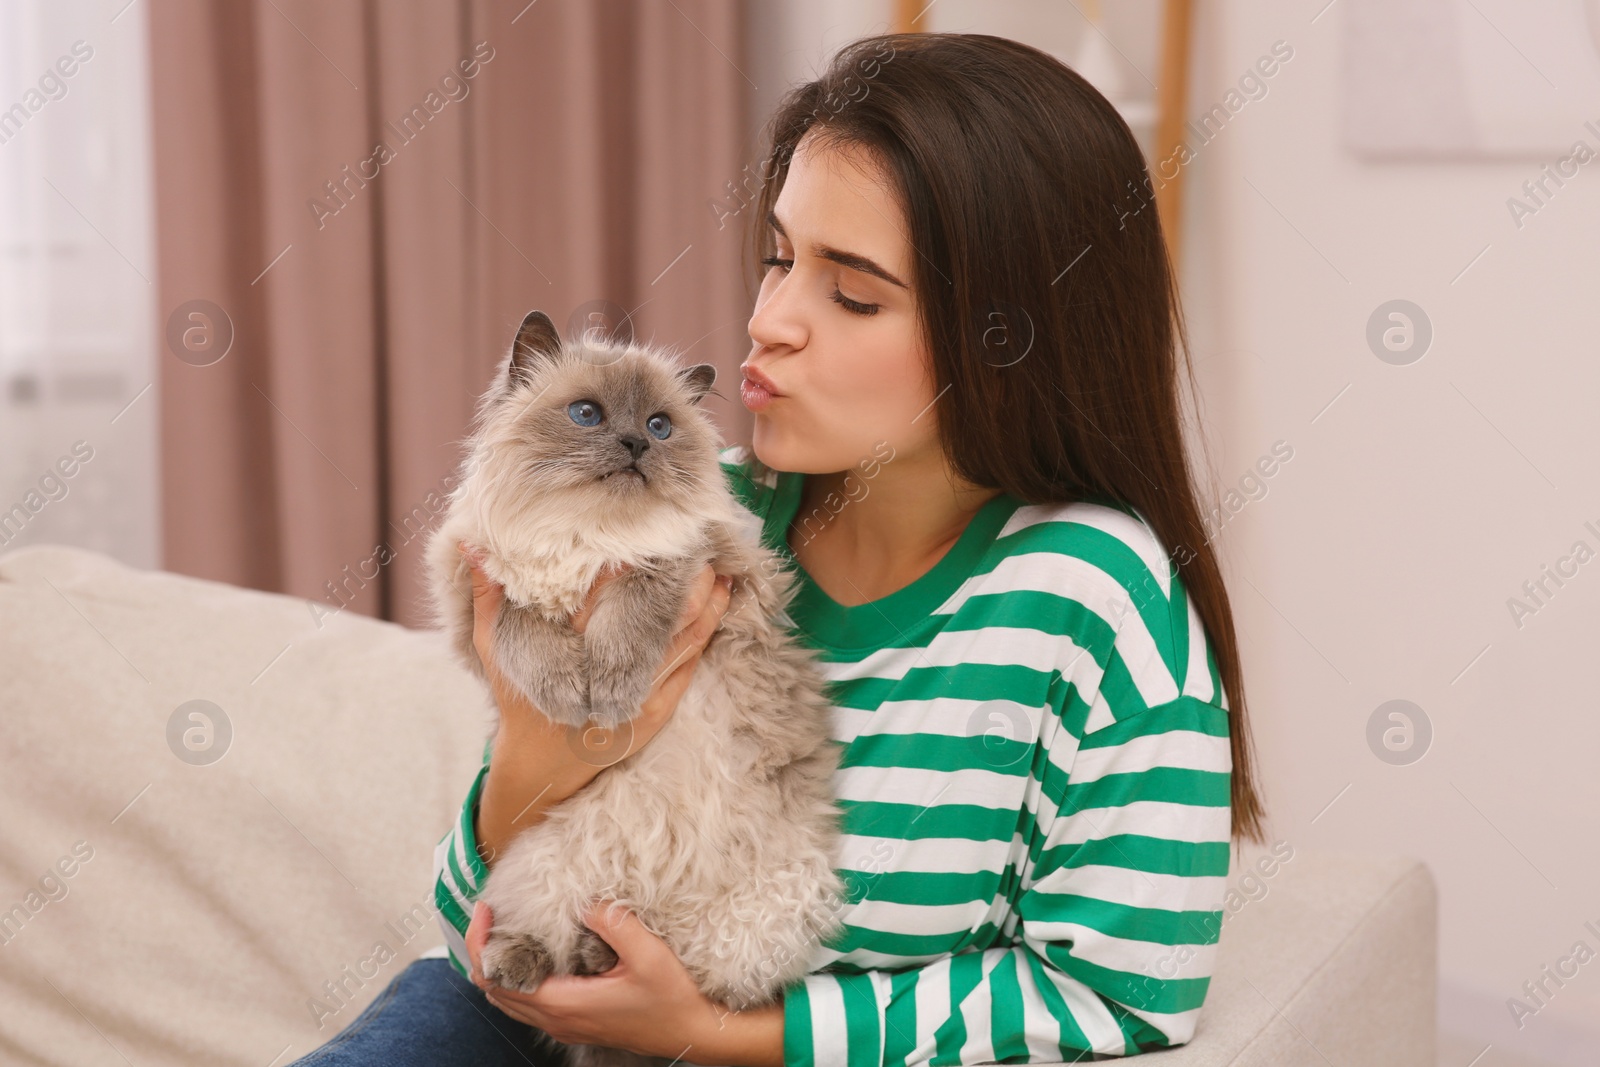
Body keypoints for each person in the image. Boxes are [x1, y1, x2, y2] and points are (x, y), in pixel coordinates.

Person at [291, 29, 1266, 1067]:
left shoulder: (1088, 596)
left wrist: (718, 1035)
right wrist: (546, 755)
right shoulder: (694, 513)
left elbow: (1121, 991)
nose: (769, 322)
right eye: (777, 256)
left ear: (1005, 339)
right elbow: (471, 939)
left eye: (851, 294)